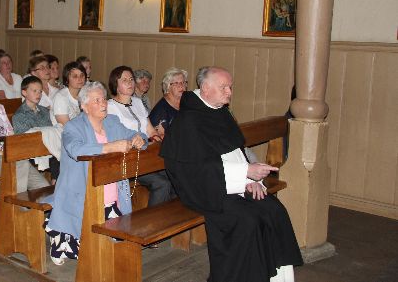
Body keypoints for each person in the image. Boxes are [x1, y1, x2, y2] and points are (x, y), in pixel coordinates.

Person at [161, 66, 302, 282]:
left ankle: (276, 277)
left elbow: (234, 151)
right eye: (224, 87)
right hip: (203, 190)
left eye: (230, 87)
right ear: (206, 88)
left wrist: (250, 179)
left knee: (274, 210)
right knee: (248, 221)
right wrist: (245, 173)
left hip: (229, 181)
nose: (229, 92)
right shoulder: (189, 121)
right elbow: (196, 169)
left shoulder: (219, 112)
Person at [45, 81, 146, 265]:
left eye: (104, 99)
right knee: (79, 253)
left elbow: (138, 135)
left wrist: (138, 138)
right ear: (84, 106)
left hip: (112, 192)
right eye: (96, 100)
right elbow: (75, 149)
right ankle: (59, 235)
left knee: (113, 248)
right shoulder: (73, 127)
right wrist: (109, 147)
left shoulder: (112, 122)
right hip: (80, 192)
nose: (103, 104)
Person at [107, 66, 175, 206]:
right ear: (116, 84)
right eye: (124, 80)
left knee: (176, 175)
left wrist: (160, 141)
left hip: (145, 156)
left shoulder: (138, 102)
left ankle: (168, 219)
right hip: (127, 159)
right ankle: (152, 224)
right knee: (162, 184)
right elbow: (114, 136)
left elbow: (150, 131)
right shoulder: (110, 106)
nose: (130, 82)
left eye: (131, 79)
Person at [12, 76, 62, 179]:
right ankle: (57, 183)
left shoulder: (44, 111)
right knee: (58, 159)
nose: (38, 94)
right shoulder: (19, 115)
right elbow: (24, 140)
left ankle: (57, 182)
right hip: (32, 151)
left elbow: (53, 132)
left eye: (40, 91)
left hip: (49, 148)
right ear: (24, 93)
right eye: (34, 91)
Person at [148, 67, 188, 135]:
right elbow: (157, 139)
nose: (181, 86)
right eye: (176, 83)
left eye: (183, 82)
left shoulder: (187, 103)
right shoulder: (161, 110)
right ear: (168, 87)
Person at [50, 61, 87, 127]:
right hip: (64, 135)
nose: (80, 79)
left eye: (82, 75)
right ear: (67, 79)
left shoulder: (86, 94)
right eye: (75, 76)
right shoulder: (61, 97)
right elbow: (67, 127)